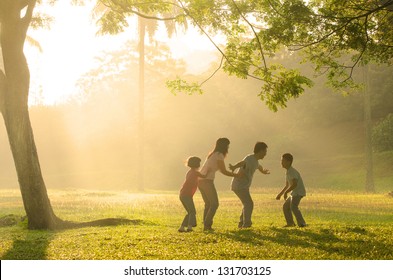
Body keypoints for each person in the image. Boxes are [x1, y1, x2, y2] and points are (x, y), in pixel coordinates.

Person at [199, 138, 239, 231]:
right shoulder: (219, 155)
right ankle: (207, 225)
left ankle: (206, 225)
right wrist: (237, 175)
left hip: (200, 180)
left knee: (208, 203)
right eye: (227, 145)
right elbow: (223, 171)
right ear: (224, 146)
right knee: (214, 204)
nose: (228, 147)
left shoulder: (212, 154)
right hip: (207, 181)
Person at [229, 142, 270, 228]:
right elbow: (242, 163)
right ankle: (246, 224)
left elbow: (259, 167)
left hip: (244, 186)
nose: (266, 154)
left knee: (246, 203)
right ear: (260, 151)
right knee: (249, 203)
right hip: (239, 185)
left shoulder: (255, 161)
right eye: (265, 151)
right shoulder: (249, 158)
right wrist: (234, 167)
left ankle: (242, 223)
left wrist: (263, 172)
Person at [276, 153, 307, 227]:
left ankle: (302, 223)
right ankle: (290, 223)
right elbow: (287, 185)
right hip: (294, 193)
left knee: (293, 207)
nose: (281, 163)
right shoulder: (288, 172)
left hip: (298, 192)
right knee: (286, 207)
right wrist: (280, 194)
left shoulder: (292, 172)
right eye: (281, 161)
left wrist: (286, 192)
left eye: (283, 161)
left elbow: (294, 184)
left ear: (288, 162)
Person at [178, 156, 207, 233]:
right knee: (192, 212)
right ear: (197, 164)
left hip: (183, 194)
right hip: (186, 195)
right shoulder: (195, 172)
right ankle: (190, 227)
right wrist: (209, 170)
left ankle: (182, 227)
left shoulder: (190, 172)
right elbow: (204, 176)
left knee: (190, 212)